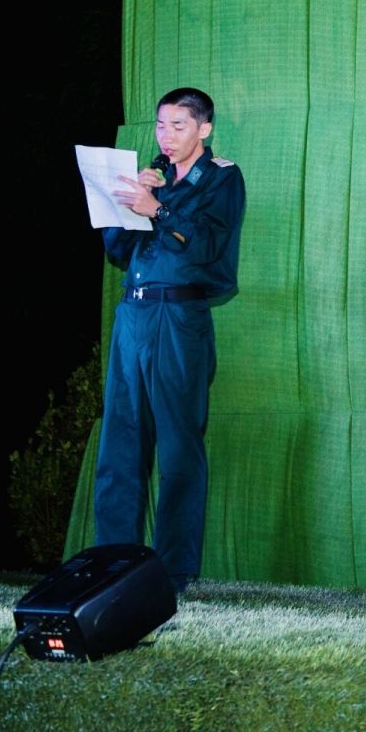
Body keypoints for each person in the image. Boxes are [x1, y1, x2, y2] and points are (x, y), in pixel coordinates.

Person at [97, 87, 247, 593]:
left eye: (178, 126)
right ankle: (113, 562)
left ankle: (174, 569)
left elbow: (206, 245)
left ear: (204, 129)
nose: (167, 136)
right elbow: (119, 250)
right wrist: (128, 205)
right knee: (120, 439)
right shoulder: (155, 177)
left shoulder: (222, 177)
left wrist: (157, 209)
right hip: (133, 314)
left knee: (179, 443)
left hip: (179, 316)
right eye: (161, 126)